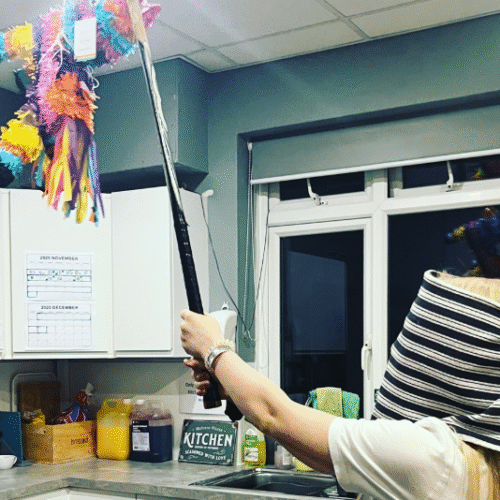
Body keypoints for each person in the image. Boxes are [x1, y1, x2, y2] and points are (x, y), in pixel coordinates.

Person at [180, 270, 500, 500]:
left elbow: (276, 415)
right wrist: (232, 388)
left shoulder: (438, 459)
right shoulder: (478, 464)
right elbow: (292, 427)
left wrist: (213, 348)